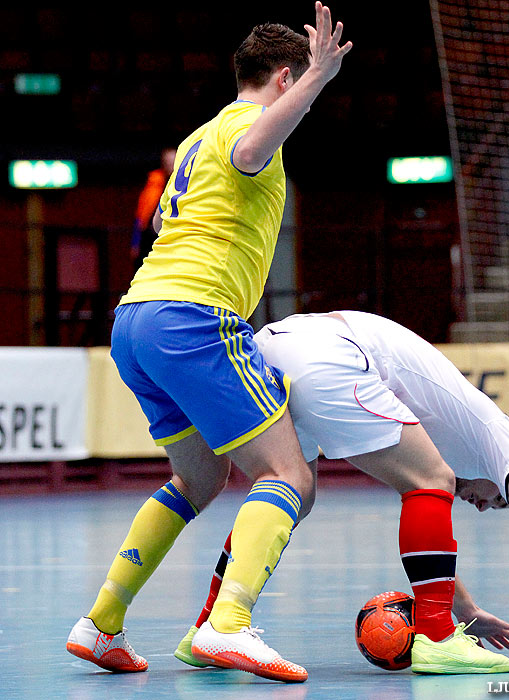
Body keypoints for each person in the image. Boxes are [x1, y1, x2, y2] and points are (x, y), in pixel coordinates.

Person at [66, 3, 351, 683]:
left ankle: (101, 622)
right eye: (297, 81)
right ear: (282, 77)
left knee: (198, 478)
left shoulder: (198, 135)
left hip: (134, 321)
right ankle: (228, 625)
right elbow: (256, 151)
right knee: (289, 476)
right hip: (191, 318)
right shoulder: (251, 128)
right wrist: (319, 77)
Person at [175, 310, 509, 674]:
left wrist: (469, 609)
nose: (482, 505)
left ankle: (208, 627)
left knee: (291, 493)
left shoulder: (447, 435)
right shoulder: (501, 440)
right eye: (496, 499)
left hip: (271, 347)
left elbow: (429, 536)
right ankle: (438, 639)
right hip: (329, 356)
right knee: (430, 482)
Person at [130, 147, 176, 272]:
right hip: (150, 237)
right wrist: (135, 243)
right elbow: (140, 217)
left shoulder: (184, 183)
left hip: (173, 237)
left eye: (173, 161)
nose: (171, 165)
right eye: (168, 162)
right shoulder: (154, 183)